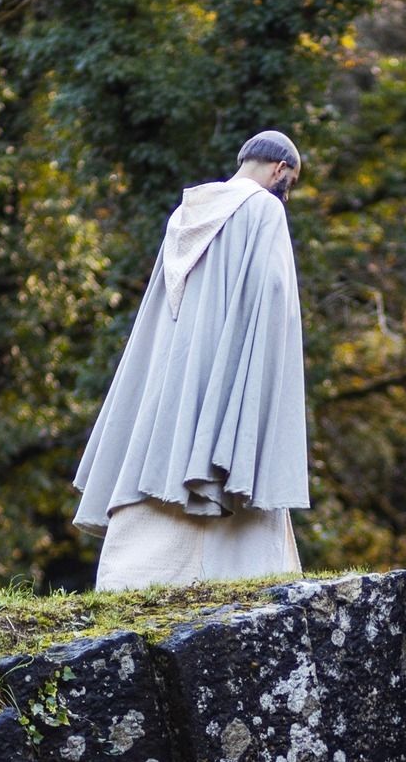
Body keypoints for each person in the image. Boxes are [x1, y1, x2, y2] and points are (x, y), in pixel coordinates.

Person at [71, 130, 310, 591]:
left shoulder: (186, 213)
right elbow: (275, 292)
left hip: (176, 370)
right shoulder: (264, 210)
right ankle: (242, 566)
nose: (288, 191)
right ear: (280, 169)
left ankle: (138, 571)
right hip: (230, 361)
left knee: (166, 447)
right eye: (291, 181)